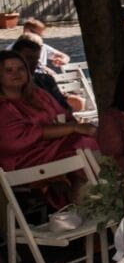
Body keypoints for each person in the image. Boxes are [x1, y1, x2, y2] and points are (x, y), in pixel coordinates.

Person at [0, 51, 98, 204]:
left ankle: (104, 190)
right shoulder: (3, 106)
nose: (16, 73)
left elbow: (64, 116)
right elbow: (17, 139)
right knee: (81, 145)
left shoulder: (38, 95)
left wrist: (69, 126)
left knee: (94, 139)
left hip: (56, 146)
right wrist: (70, 128)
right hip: (26, 156)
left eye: (21, 69)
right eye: (9, 70)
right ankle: (81, 198)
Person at [10, 35, 75, 114]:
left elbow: (64, 107)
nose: (34, 63)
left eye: (36, 59)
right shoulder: (8, 83)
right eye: (28, 58)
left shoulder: (45, 80)